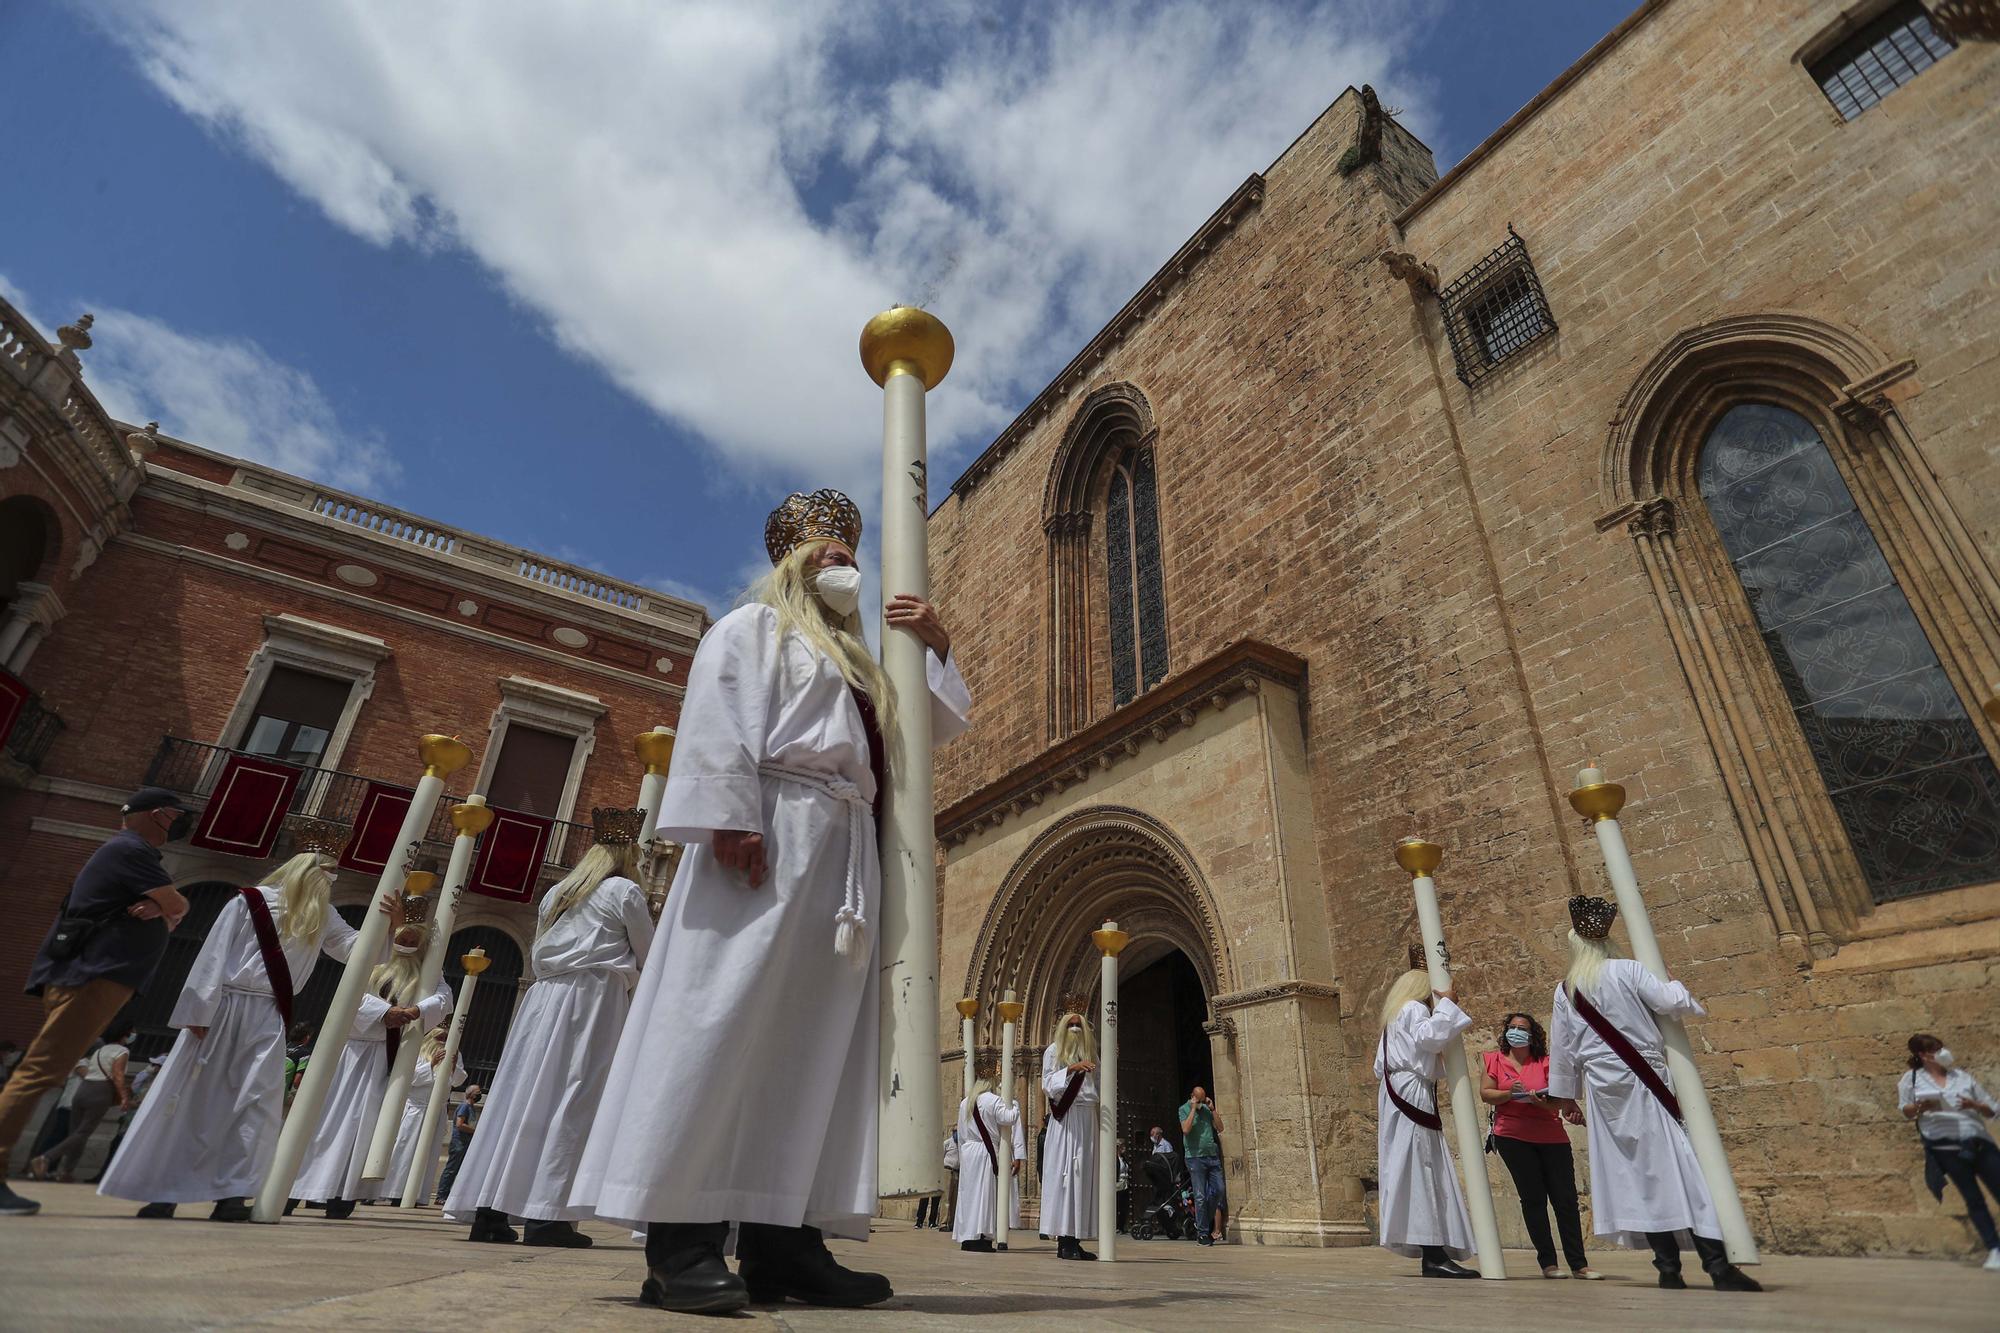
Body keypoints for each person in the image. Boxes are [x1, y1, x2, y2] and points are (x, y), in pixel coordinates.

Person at [568, 490, 971, 1314]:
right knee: (720, 1020)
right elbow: (718, 709)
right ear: (789, 563)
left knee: (811, 1046)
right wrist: (728, 814)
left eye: (846, 552)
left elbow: (923, 736)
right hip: (767, 834)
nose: (838, 561)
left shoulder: (863, 666)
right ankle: (679, 1239)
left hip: (841, 855)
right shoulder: (756, 630)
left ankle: (785, 1240)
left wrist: (934, 647)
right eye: (822, 551)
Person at [99, 828, 372, 1221]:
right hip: (224, 1008)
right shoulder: (250, 902)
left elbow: (354, 950)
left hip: (270, 1014)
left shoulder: (323, 913)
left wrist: (389, 924)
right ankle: (164, 1191)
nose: (330, 883)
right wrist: (198, 1013)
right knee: (197, 1099)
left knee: (256, 1105)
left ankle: (231, 1193)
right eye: (326, 875)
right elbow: (213, 955)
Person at [446, 809, 655, 1247]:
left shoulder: (557, 892)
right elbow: (649, 953)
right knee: (574, 1095)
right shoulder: (624, 890)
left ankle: (489, 1209)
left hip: (543, 997)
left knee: (518, 1096)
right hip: (594, 997)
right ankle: (548, 1215)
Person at [1548, 896, 1760, 1292]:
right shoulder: (1629, 969)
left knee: (1638, 1174)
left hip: (1603, 1090)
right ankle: (1717, 1265)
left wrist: (1566, 1097)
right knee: (1683, 1166)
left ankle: (1667, 1268)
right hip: (1646, 1079)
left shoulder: (1566, 989)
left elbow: (1562, 1048)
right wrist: (1671, 980)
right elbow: (1671, 1003)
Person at [0, 787, 190, 1217]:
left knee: (43, 1070)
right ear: (160, 816)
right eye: (178, 816)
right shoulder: (131, 849)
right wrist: (165, 907)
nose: (180, 824)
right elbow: (178, 904)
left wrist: (162, 908)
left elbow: (174, 907)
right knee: (39, 1070)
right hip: (92, 977)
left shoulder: (129, 852)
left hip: (94, 976)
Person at [289, 894, 451, 1218]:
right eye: (403, 933)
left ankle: (343, 1194)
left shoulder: (427, 969)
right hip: (346, 1052)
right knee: (325, 1119)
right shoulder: (373, 956)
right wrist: (384, 1011)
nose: (407, 940)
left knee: (363, 1127)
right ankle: (296, 1188)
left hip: (384, 1057)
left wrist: (419, 1009)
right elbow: (350, 991)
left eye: (413, 937)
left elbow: (444, 997)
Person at [1375, 946, 1479, 1278]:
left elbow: (1382, 1064)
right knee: (1423, 1165)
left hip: (1398, 1090)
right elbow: (1431, 1039)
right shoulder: (1414, 1010)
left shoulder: (1394, 1016)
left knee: (1417, 1166)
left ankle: (1434, 1249)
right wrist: (1447, 1003)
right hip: (1411, 1092)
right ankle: (1433, 1254)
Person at [1480, 1012, 1597, 1279]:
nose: (1516, 1032)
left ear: (1532, 1036)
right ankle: (1548, 1264)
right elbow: (1486, 1093)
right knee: (1533, 1199)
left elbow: (1558, 1100)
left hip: (1551, 1135)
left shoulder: (1545, 1062)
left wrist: (1539, 1102)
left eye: (1522, 1028)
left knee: (1565, 1199)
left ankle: (1579, 1264)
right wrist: (1511, 1093)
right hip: (1512, 1136)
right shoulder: (1493, 1060)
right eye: (1512, 1027)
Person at [1899, 1032, 2000, 1271]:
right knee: (1973, 1198)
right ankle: (1995, 1249)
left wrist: (1973, 1105)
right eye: (1936, 1049)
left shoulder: (1962, 1077)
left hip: (1977, 1141)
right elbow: (1905, 1110)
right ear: (1923, 1055)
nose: (1943, 1052)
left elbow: (1993, 1109)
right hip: (1946, 1147)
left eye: (1942, 1047)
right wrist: (1920, 1107)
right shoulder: (1910, 1080)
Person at [1040, 1003, 1099, 1260]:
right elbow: (1047, 1085)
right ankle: (1063, 1241)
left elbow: (1102, 1081)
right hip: (1066, 1121)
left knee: (1083, 1178)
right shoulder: (1054, 1051)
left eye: (1079, 1025)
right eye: (1070, 1024)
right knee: (1066, 1178)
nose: (1075, 1029)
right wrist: (1072, 1069)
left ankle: (1075, 1238)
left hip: (1087, 1119)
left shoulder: (1090, 1052)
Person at [33, 1029, 132, 1182]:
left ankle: (66, 1172)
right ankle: (46, 1158)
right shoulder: (122, 1050)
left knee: (76, 1134)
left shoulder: (100, 1050)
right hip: (100, 1092)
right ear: (124, 1035)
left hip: (83, 1090)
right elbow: (118, 1075)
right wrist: (124, 1097)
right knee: (83, 1132)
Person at [379, 1027, 462, 1205]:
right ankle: (394, 1191)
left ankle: (417, 1194)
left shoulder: (454, 1053)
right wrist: (431, 1065)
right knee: (404, 1149)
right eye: (440, 1037)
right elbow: (410, 1078)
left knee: (428, 1154)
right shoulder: (418, 1051)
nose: (443, 1041)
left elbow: (457, 1081)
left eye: (446, 1038)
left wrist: (454, 1067)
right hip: (416, 1109)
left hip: (437, 1112)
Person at [951, 1055, 1020, 1253]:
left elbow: (962, 1132)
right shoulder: (993, 1100)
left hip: (969, 1150)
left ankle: (967, 1236)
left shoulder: (966, 1102)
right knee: (985, 1195)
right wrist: (1014, 1102)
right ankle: (981, 1236)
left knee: (969, 1195)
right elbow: (1010, 1118)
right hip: (985, 1151)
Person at [1179, 1084, 1227, 1245]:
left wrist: (1212, 1109)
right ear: (1192, 1097)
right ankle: (1202, 1233)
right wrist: (1193, 1109)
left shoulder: (1207, 1110)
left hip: (1212, 1156)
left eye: (1202, 1100)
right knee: (1199, 1196)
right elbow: (1185, 1130)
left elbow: (1220, 1128)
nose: (1201, 1103)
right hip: (1194, 1157)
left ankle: (1203, 1221)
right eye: (1198, 1100)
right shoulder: (1184, 1109)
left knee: (1219, 1190)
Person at [435, 1086, 482, 1203]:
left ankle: (448, 1194)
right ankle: (441, 1195)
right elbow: (459, 1124)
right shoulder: (464, 1106)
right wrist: (476, 1130)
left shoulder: (470, 1108)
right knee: (451, 1169)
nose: (479, 1094)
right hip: (458, 1143)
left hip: (465, 1143)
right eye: (478, 1092)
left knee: (457, 1170)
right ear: (471, 1094)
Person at [283, 1024, 316, 1112]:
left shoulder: (284, 1046)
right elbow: (297, 1081)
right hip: (283, 1094)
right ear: (307, 1037)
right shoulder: (304, 1053)